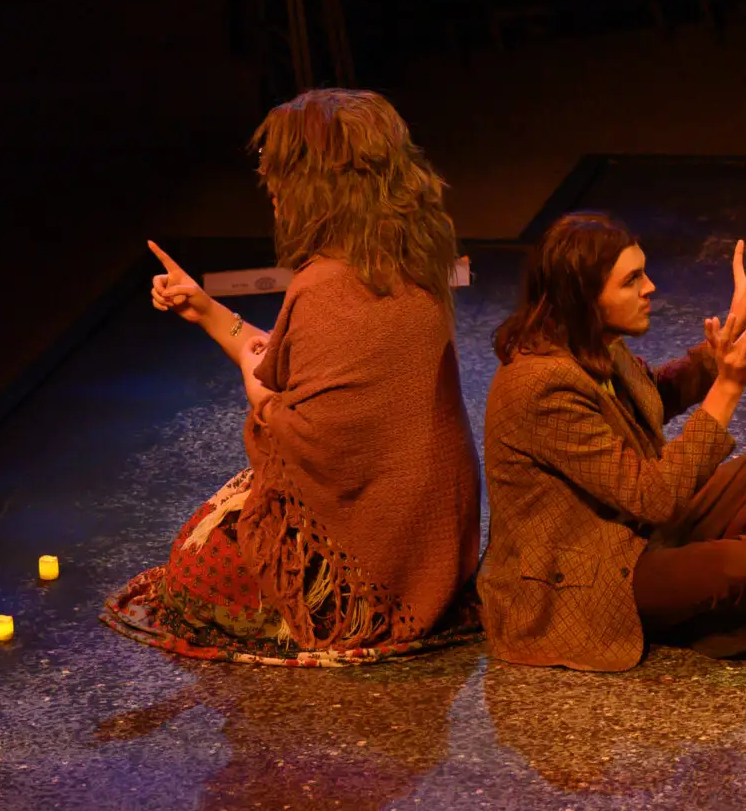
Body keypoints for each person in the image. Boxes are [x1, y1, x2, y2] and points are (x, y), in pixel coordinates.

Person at [108, 89, 480, 664]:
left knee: (199, 562)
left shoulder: (325, 286)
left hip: (370, 569)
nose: (272, 194)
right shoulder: (406, 261)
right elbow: (288, 363)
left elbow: (290, 417)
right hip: (431, 543)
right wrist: (206, 310)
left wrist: (263, 401)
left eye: (280, 183)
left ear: (316, 191)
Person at [479, 212, 746, 669]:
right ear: (584, 297)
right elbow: (654, 497)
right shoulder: (541, 384)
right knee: (740, 566)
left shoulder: (593, 342)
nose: (650, 287)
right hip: (585, 574)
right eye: (631, 280)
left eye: (644, 273)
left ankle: (720, 603)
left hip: (642, 530)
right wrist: (726, 389)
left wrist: (730, 331)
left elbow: (655, 393)